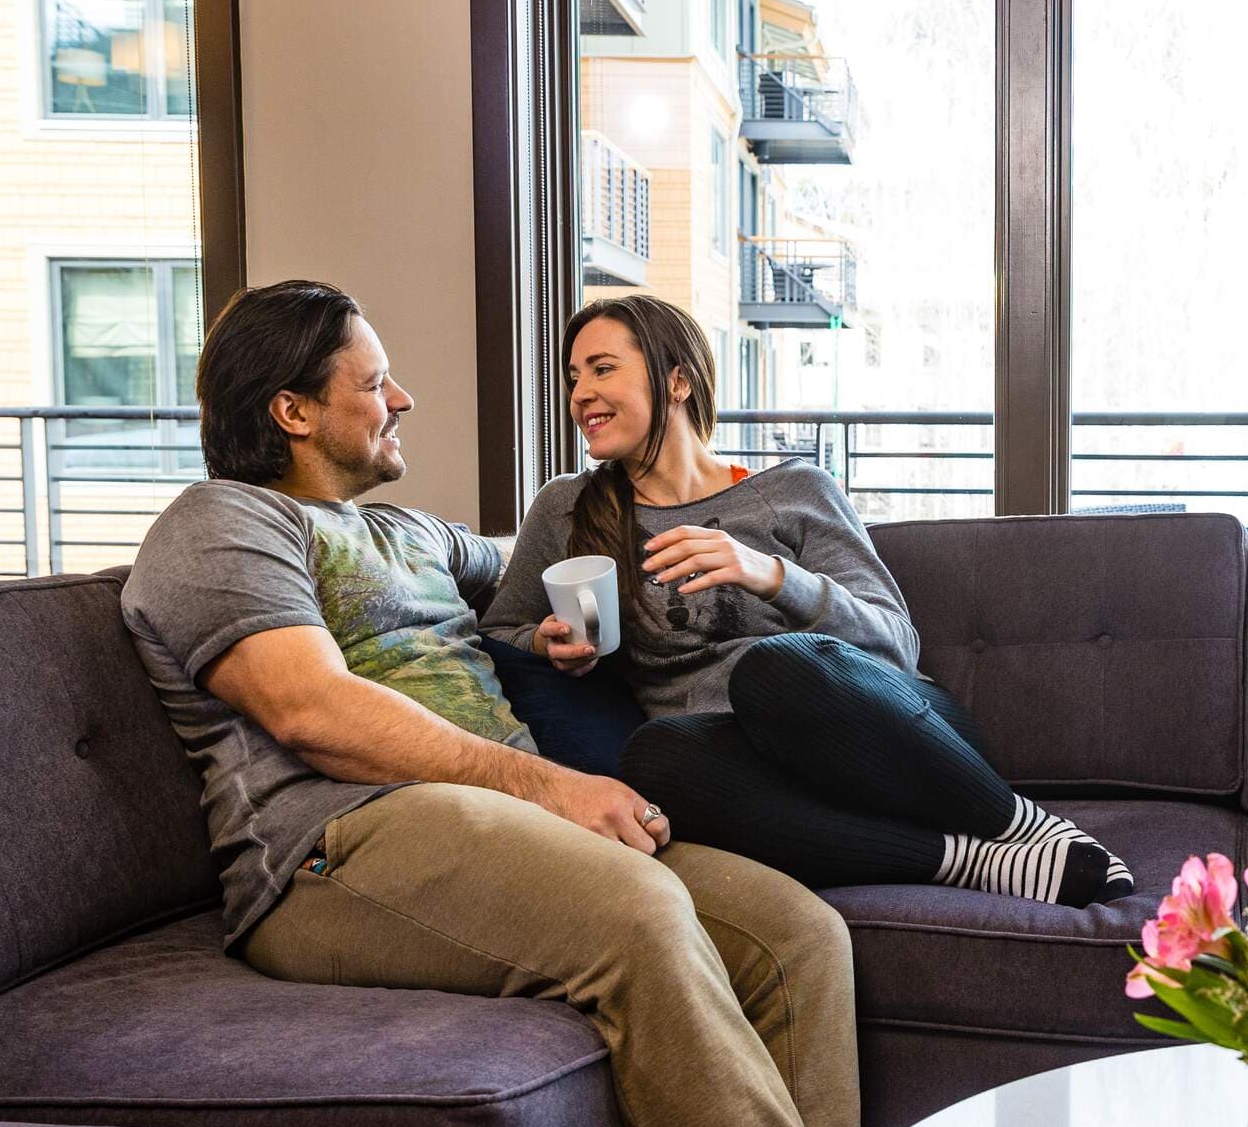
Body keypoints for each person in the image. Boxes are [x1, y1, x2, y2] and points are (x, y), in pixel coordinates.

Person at [119, 280, 844, 1127]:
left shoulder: (409, 534)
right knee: (638, 914)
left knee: (797, 939)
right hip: (339, 844)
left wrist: (568, 632)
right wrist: (550, 784)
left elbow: (529, 573)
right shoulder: (222, 524)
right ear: (293, 412)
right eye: (373, 383)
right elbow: (310, 710)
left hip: (502, 831)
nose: (402, 398)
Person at [480, 295, 1135, 909]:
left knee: (772, 670)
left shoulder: (793, 488)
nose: (580, 394)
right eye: (572, 377)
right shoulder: (567, 509)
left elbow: (894, 644)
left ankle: (1013, 820)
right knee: (652, 758)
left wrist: (770, 575)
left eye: (601, 369)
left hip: (889, 738)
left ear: (676, 381)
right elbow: (501, 627)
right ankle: (963, 859)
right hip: (747, 772)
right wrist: (547, 642)